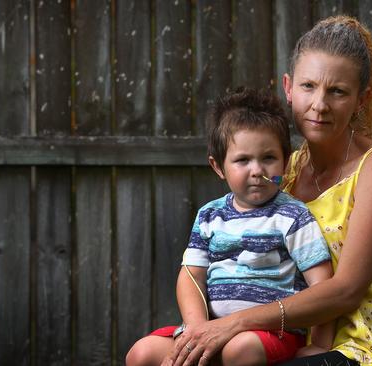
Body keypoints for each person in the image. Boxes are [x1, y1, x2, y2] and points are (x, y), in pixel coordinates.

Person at [167, 15, 372, 366]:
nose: (320, 104)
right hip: (286, 341)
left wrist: (233, 323)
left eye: (338, 91)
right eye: (308, 86)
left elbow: (346, 290)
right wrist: (204, 328)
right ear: (288, 87)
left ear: (361, 100)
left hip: (364, 350)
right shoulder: (281, 170)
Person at [125, 88, 335, 366]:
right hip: (210, 328)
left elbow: (322, 286)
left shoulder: (293, 216)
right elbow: (191, 277)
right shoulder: (210, 216)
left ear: (286, 160)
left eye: (268, 158)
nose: (257, 170)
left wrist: (320, 344)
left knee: (240, 349)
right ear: (219, 166)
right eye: (243, 160)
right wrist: (197, 329)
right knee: (141, 353)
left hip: (269, 335)